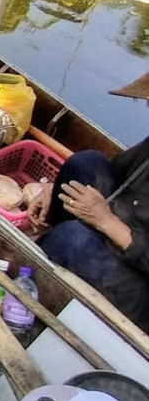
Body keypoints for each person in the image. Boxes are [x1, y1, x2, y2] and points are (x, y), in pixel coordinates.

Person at [28, 139, 149, 327]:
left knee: (72, 238)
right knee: (86, 164)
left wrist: (107, 221)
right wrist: (55, 189)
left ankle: (26, 283)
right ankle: (45, 236)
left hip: (141, 292)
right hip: (124, 226)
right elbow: (118, 174)